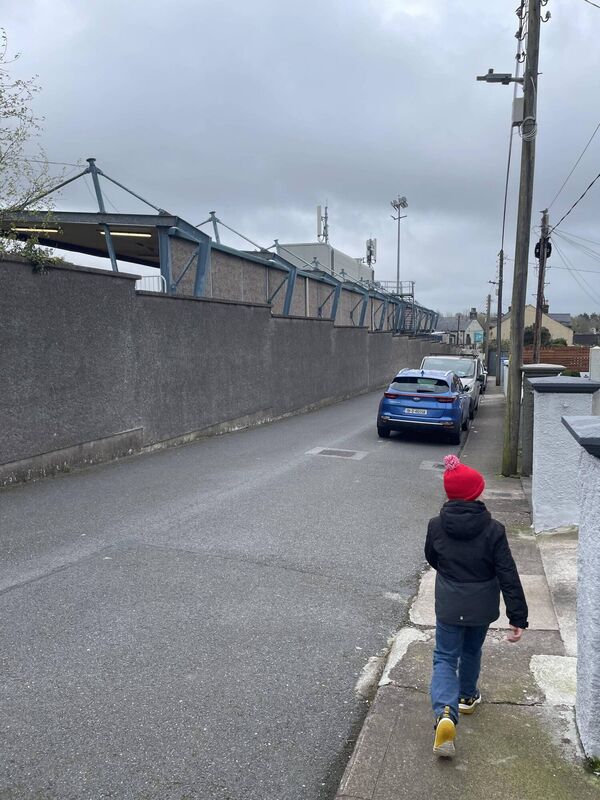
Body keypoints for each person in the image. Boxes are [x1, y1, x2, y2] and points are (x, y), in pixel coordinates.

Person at [424, 454, 528, 758]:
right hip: (482, 605)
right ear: (476, 493)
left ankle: (445, 710)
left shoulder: (435, 526)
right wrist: (517, 616)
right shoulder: (494, 529)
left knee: (445, 656)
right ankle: (467, 696)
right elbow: (507, 572)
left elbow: (432, 557)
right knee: (471, 650)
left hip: (449, 600)